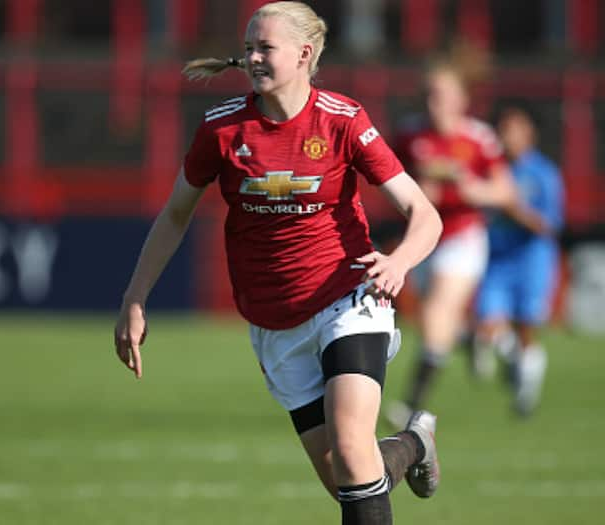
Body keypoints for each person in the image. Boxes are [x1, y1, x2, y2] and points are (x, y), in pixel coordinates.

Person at [113, 3, 442, 523]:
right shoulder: (222, 130)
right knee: (345, 480)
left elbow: (424, 214)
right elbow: (174, 217)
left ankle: (401, 446)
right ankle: (413, 445)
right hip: (274, 322)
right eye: (249, 47)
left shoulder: (344, 120)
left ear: (304, 54)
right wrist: (135, 297)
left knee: (354, 455)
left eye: (265, 47)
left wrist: (399, 262)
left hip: (348, 298)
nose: (252, 57)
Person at [387, 62, 515, 427]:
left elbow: (505, 191)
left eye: (442, 95)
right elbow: (393, 181)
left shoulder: (479, 137)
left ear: (461, 99)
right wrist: (413, 193)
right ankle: (484, 339)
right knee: (435, 323)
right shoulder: (411, 135)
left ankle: (412, 405)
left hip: (463, 236)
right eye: (430, 94)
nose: (435, 102)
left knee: (435, 315)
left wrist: (474, 190)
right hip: (424, 238)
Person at [473, 106, 563, 416]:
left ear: (528, 134)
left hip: (532, 259)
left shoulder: (543, 173)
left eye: (512, 130)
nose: (505, 138)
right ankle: (514, 365)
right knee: (488, 327)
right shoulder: (492, 170)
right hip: (497, 258)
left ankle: (526, 394)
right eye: (502, 130)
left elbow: (549, 224)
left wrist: (514, 210)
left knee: (526, 329)